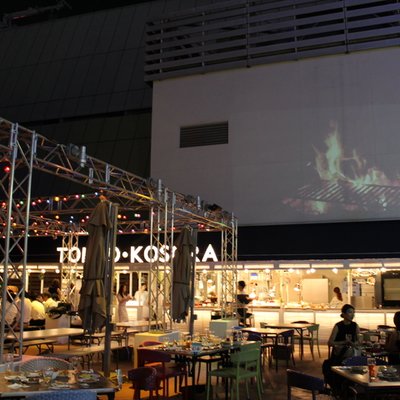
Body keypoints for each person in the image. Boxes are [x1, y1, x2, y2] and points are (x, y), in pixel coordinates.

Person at [324, 304, 360, 397]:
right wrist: (344, 342)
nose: (352, 315)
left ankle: (350, 388)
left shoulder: (355, 326)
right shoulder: (338, 326)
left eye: (353, 313)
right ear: (343, 314)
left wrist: (353, 343)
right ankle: (340, 390)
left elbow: (358, 342)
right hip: (339, 355)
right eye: (350, 312)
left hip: (351, 354)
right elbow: (330, 342)